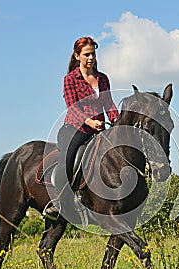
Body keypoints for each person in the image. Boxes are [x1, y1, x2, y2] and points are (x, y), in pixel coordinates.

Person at [48, 36, 119, 219]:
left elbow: (109, 103)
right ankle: (59, 201)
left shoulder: (102, 79)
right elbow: (72, 106)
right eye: (86, 54)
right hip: (75, 129)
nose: (90, 58)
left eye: (93, 54)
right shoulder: (70, 79)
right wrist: (88, 121)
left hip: (98, 129)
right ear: (77, 56)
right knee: (69, 158)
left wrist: (117, 120)